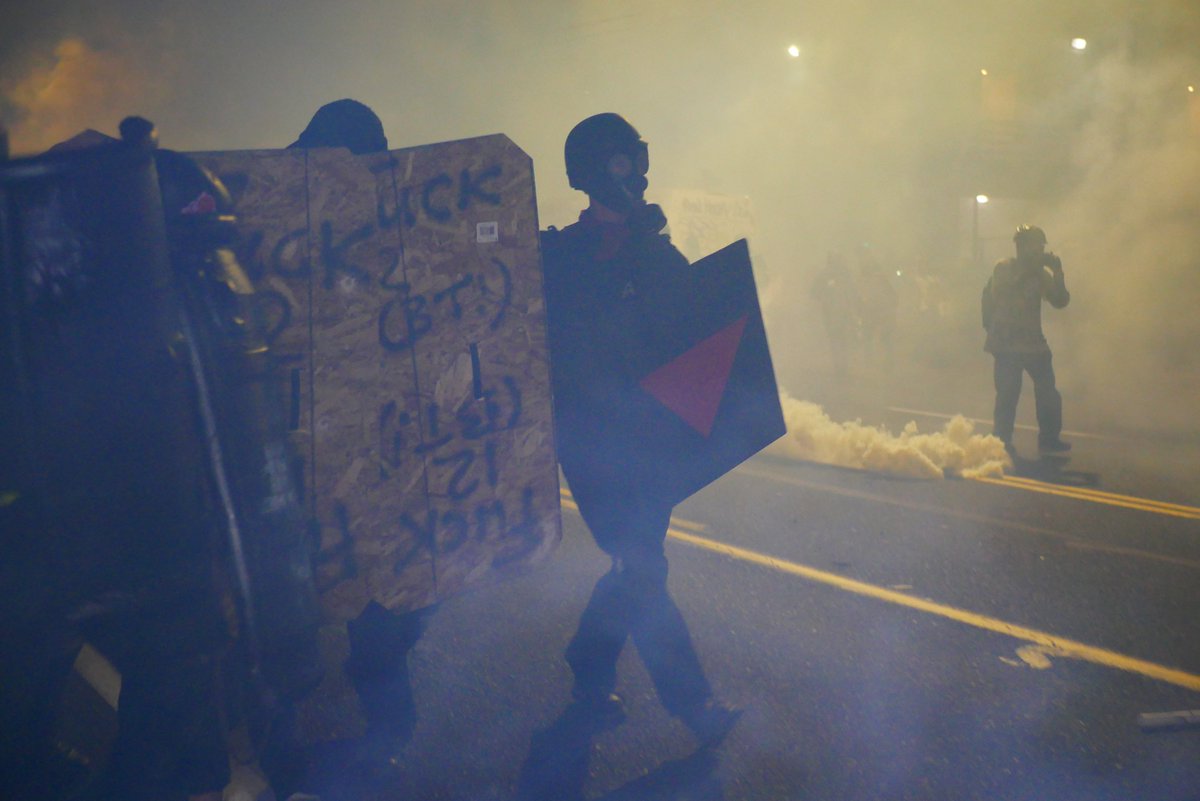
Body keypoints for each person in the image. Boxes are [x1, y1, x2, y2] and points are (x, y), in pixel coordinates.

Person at [540, 113, 741, 747]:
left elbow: (693, 329)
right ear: (594, 172)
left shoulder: (655, 253)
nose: (635, 173)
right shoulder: (559, 256)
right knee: (642, 569)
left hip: (646, 441)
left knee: (636, 566)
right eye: (623, 162)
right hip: (589, 439)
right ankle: (691, 703)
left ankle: (591, 671)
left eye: (636, 160)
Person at [981, 224, 1071, 456]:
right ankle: (1001, 440)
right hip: (1007, 343)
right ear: (1021, 247)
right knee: (1008, 393)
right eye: (1035, 246)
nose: (1039, 250)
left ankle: (1049, 438)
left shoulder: (1040, 274)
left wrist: (1058, 272)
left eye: (1041, 246)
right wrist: (1033, 270)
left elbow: (1061, 301)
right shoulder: (1004, 268)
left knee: (1048, 392)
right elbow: (1005, 292)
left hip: (1033, 343)